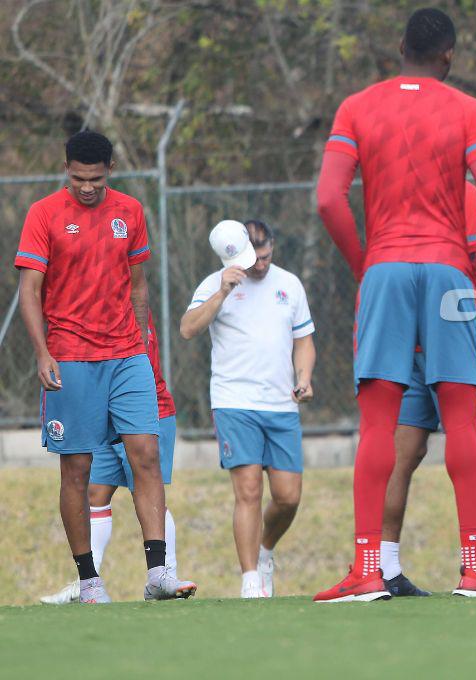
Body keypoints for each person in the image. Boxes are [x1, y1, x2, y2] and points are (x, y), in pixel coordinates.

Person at [314, 7, 476, 601]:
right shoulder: (468, 111)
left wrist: (365, 261)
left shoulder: (358, 106)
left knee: (379, 421)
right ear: (449, 56)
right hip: (449, 268)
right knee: (463, 419)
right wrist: (472, 268)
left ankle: (367, 570)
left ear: (399, 47)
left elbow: (330, 198)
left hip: (385, 267)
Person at [16, 130, 195, 603]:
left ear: (109, 169)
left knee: (147, 455)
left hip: (126, 355)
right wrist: (42, 352)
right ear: (66, 169)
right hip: (70, 358)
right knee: (77, 470)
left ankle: (158, 574)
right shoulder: (44, 214)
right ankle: (89, 580)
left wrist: (142, 345)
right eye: (78, 178)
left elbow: (138, 286)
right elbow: (30, 291)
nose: (87, 187)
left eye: (95, 178)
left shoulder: (130, 211)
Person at [379, 184, 476, 597]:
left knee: (404, 453)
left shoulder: (399, 194)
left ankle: (383, 566)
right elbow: (473, 275)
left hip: (402, 338)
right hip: (454, 337)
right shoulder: (461, 194)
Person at [180, 219, 316, 598]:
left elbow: (304, 340)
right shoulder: (215, 283)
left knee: (288, 496)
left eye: (267, 256)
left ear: (272, 245)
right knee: (249, 490)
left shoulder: (289, 285)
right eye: (253, 259)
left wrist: (304, 376)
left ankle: (265, 549)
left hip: (281, 406)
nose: (260, 265)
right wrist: (222, 293)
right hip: (233, 403)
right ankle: (250, 578)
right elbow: (188, 328)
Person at [41, 313, 181, 604]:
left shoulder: (130, 320)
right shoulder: (87, 315)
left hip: (141, 414)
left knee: (145, 482)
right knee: (94, 491)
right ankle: (88, 584)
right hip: (100, 406)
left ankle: (165, 574)